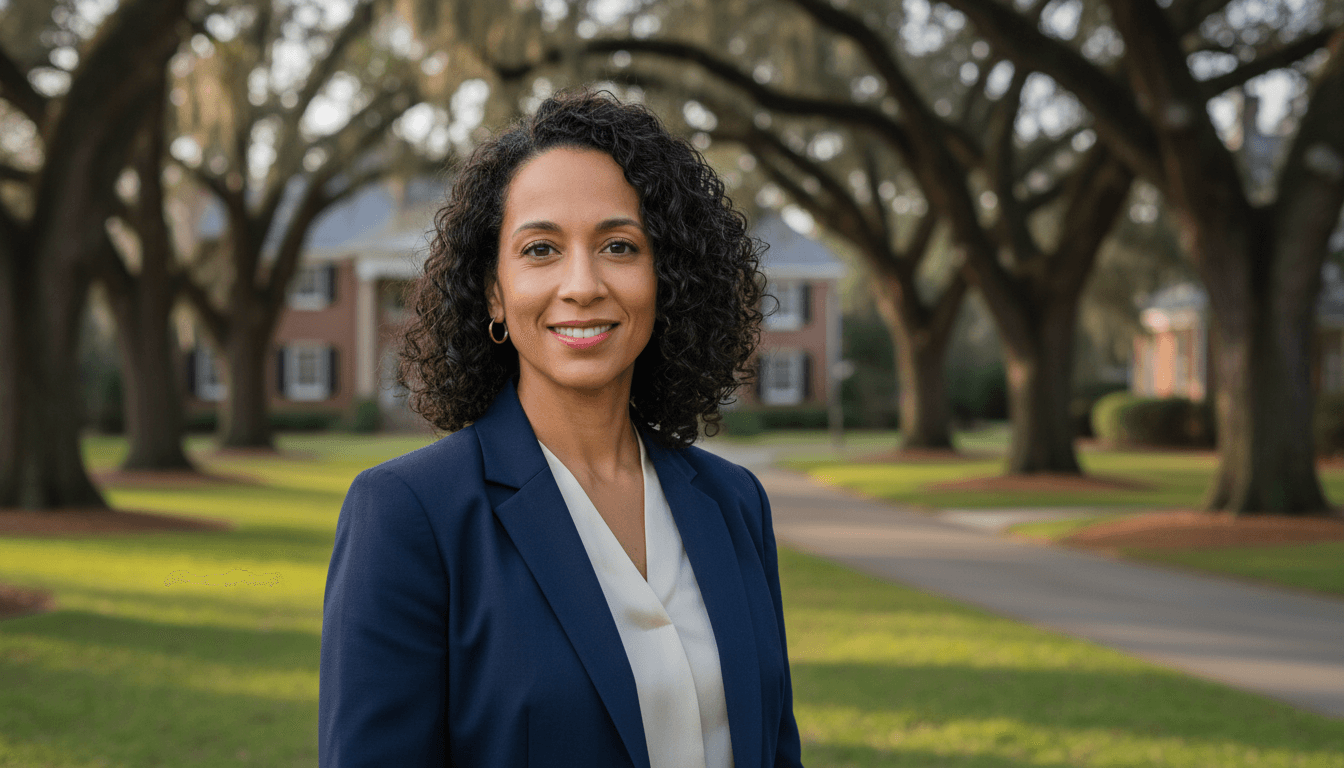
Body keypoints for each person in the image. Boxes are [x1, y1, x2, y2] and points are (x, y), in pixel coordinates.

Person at [319, 89, 803, 768]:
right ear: (494, 289)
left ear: (666, 278)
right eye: (541, 249)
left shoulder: (734, 503)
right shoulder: (409, 516)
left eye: (618, 245)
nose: (582, 284)